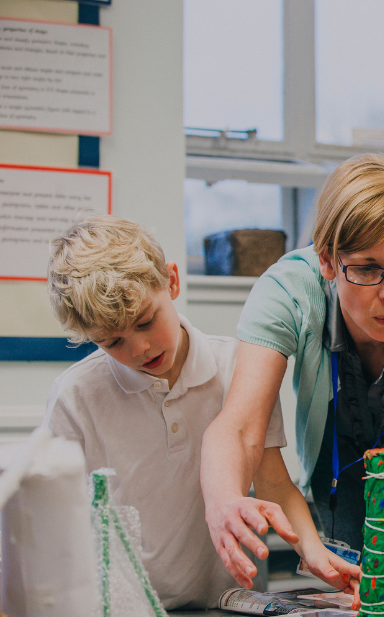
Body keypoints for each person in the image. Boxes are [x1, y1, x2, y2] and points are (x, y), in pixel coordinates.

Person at [200, 154, 384, 594]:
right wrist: (225, 499)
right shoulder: (289, 291)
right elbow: (243, 426)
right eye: (365, 269)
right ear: (326, 261)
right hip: (331, 510)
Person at [42, 215, 320, 610]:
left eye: (145, 321)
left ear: (171, 280)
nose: (139, 349)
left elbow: (273, 481)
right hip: (126, 607)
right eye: (113, 341)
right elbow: (57, 523)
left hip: (228, 600)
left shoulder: (238, 368)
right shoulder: (75, 397)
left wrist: (314, 552)